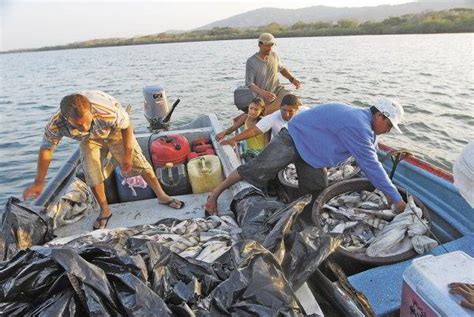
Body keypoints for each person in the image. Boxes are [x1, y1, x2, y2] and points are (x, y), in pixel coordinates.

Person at [205, 98, 407, 215]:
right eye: (389, 125)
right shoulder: (358, 124)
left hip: (313, 156)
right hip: (292, 140)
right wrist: (395, 199)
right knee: (253, 170)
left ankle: (298, 219)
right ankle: (214, 194)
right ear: (380, 115)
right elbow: (371, 165)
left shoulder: (365, 125)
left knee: (316, 192)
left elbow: (370, 151)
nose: (388, 130)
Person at [23, 91, 184, 230]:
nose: (85, 126)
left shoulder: (107, 112)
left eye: (87, 121)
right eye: (78, 125)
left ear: (91, 111)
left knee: (139, 162)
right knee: (91, 171)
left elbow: (127, 127)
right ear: (66, 119)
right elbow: (46, 150)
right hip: (88, 140)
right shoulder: (55, 125)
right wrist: (39, 182)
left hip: (114, 131)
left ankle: (162, 196)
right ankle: (105, 210)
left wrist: (127, 155)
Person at [220, 94, 304, 148]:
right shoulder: (272, 118)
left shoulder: (305, 113)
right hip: (283, 147)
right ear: (280, 107)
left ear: (297, 109)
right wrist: (233, 139)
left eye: (290, 111)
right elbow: (254, 131)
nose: (286, 114)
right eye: (284, 110)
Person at [246, 33, 301, 115]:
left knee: (296, 103)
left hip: (278, 90)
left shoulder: (274, 55)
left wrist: (292, 79)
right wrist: (264, 93)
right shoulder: (251, 61)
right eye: (267, 45)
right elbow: (249, 84)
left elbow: (281, 69)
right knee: (269, 114)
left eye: (272, 45)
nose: (270, 48)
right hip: (262, 97)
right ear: (259, 44)